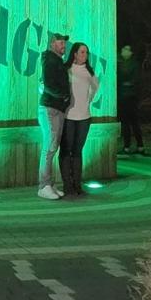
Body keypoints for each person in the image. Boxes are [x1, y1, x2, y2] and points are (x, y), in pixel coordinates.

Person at [59, 41, 100, 197]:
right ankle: (67, 184)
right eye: (82, 52)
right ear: (74, 54)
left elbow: (95, 87)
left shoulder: (89, 71)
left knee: (77, 151)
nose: (85, 55)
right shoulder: (66, 69)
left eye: (87, 52)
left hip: (84, 117)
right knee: (66, 150)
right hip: (69, 116)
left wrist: (87, 101)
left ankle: (77, 183)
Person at [37, 31, 70, 199]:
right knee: (49, 148)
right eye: (60, 42)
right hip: (50, 108)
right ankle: (43, 186)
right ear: (52, 44)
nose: (63, 45)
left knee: (52, 147)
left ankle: (49, 184)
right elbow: (49, 85)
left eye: (64, 42)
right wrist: (64, 95)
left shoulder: (57, 61)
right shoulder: (50, 60)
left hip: (56, 108)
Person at [116, 43, 145, 154]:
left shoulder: (134, 64)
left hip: (131, 98)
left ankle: (140, 145)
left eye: (126, 49)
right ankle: (127, 145)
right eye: (123, 49)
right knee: (125, 123)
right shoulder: (120, 63)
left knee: (134, 122)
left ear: (131, 52)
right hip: (123, 97)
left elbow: (136, 81)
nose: (123, 51)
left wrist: (128, 84)